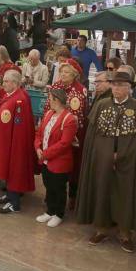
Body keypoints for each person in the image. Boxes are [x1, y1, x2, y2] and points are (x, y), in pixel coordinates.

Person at [76, 71, 136, 253]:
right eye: (114, 84)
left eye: (121, 85)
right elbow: (92, 137)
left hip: (130, 162)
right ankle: (101, 228)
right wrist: (105, 154)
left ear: (130, 88)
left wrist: (124, 154)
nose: (117, 88)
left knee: (126, 194)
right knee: (102, 189)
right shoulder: (101, 105)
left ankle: (125, 233)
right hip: (102, 159)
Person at [0, 70, 36, 214]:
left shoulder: (20, 99)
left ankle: (14, 203)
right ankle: (10, 195)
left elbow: (18, 124)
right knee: (8, 169)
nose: (3, 84)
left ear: (15, 83)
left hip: (15, 142)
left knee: (14, 170)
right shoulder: (11, 95)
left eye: (6, 81)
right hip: (8, 139)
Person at [43, 59, 87, 209]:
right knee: (50, 164)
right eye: (61, 71)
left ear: (74, 74)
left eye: (66, 72)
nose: (62, 74)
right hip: (52, 129)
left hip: (70, 134)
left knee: (71, 166)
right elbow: (48, 107)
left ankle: (71, 196)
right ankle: (50, 195)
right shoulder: (56, 86)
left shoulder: (79, 90)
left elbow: (75, 116)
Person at [35, 88, 78, 225]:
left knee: (58, 188)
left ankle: (59, 214)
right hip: (45, 160)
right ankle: (50, 211)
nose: (48, 101)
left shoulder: (69, 119)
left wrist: (45, 153)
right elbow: (39, 133)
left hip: (59, 162)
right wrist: (37, 147)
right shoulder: (48, 114)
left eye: (50, 98)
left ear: (57, 100)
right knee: (48, 185)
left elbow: (64, 143)